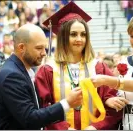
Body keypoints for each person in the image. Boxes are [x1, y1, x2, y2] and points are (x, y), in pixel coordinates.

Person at [35, 1, 128, 130]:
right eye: (73, 34)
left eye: (83, 34)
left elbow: (114, 108)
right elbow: (43, 108)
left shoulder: (99, 68)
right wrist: (64, 129)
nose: (79, 39)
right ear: (62, 37)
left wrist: (96, 127)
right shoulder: (47, 71)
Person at [0, 23, 83, 130]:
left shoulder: (21, 69)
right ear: (21, 48)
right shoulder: (12, 76)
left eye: (45, 48)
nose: (44, 53)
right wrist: (67, 103)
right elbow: (30, 119)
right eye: (39, 48)